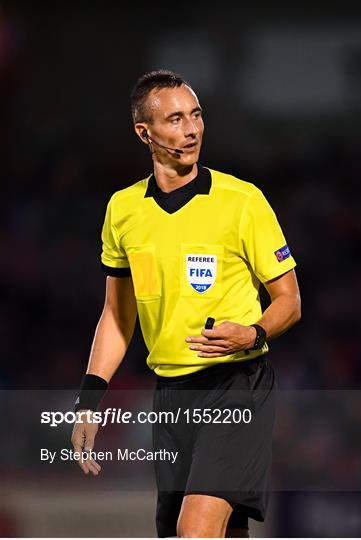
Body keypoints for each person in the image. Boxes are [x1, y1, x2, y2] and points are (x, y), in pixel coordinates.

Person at [71, 69, 301, 538]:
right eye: (175, 119)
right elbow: (118, 316)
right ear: (145, 132)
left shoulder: (242, 201)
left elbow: (289, 300)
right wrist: (90, 403)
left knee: (193, 531)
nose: (191, 129)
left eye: (195, 115)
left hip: (238, 385)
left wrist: (252, 332)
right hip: (171, 396)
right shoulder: (124, 211)